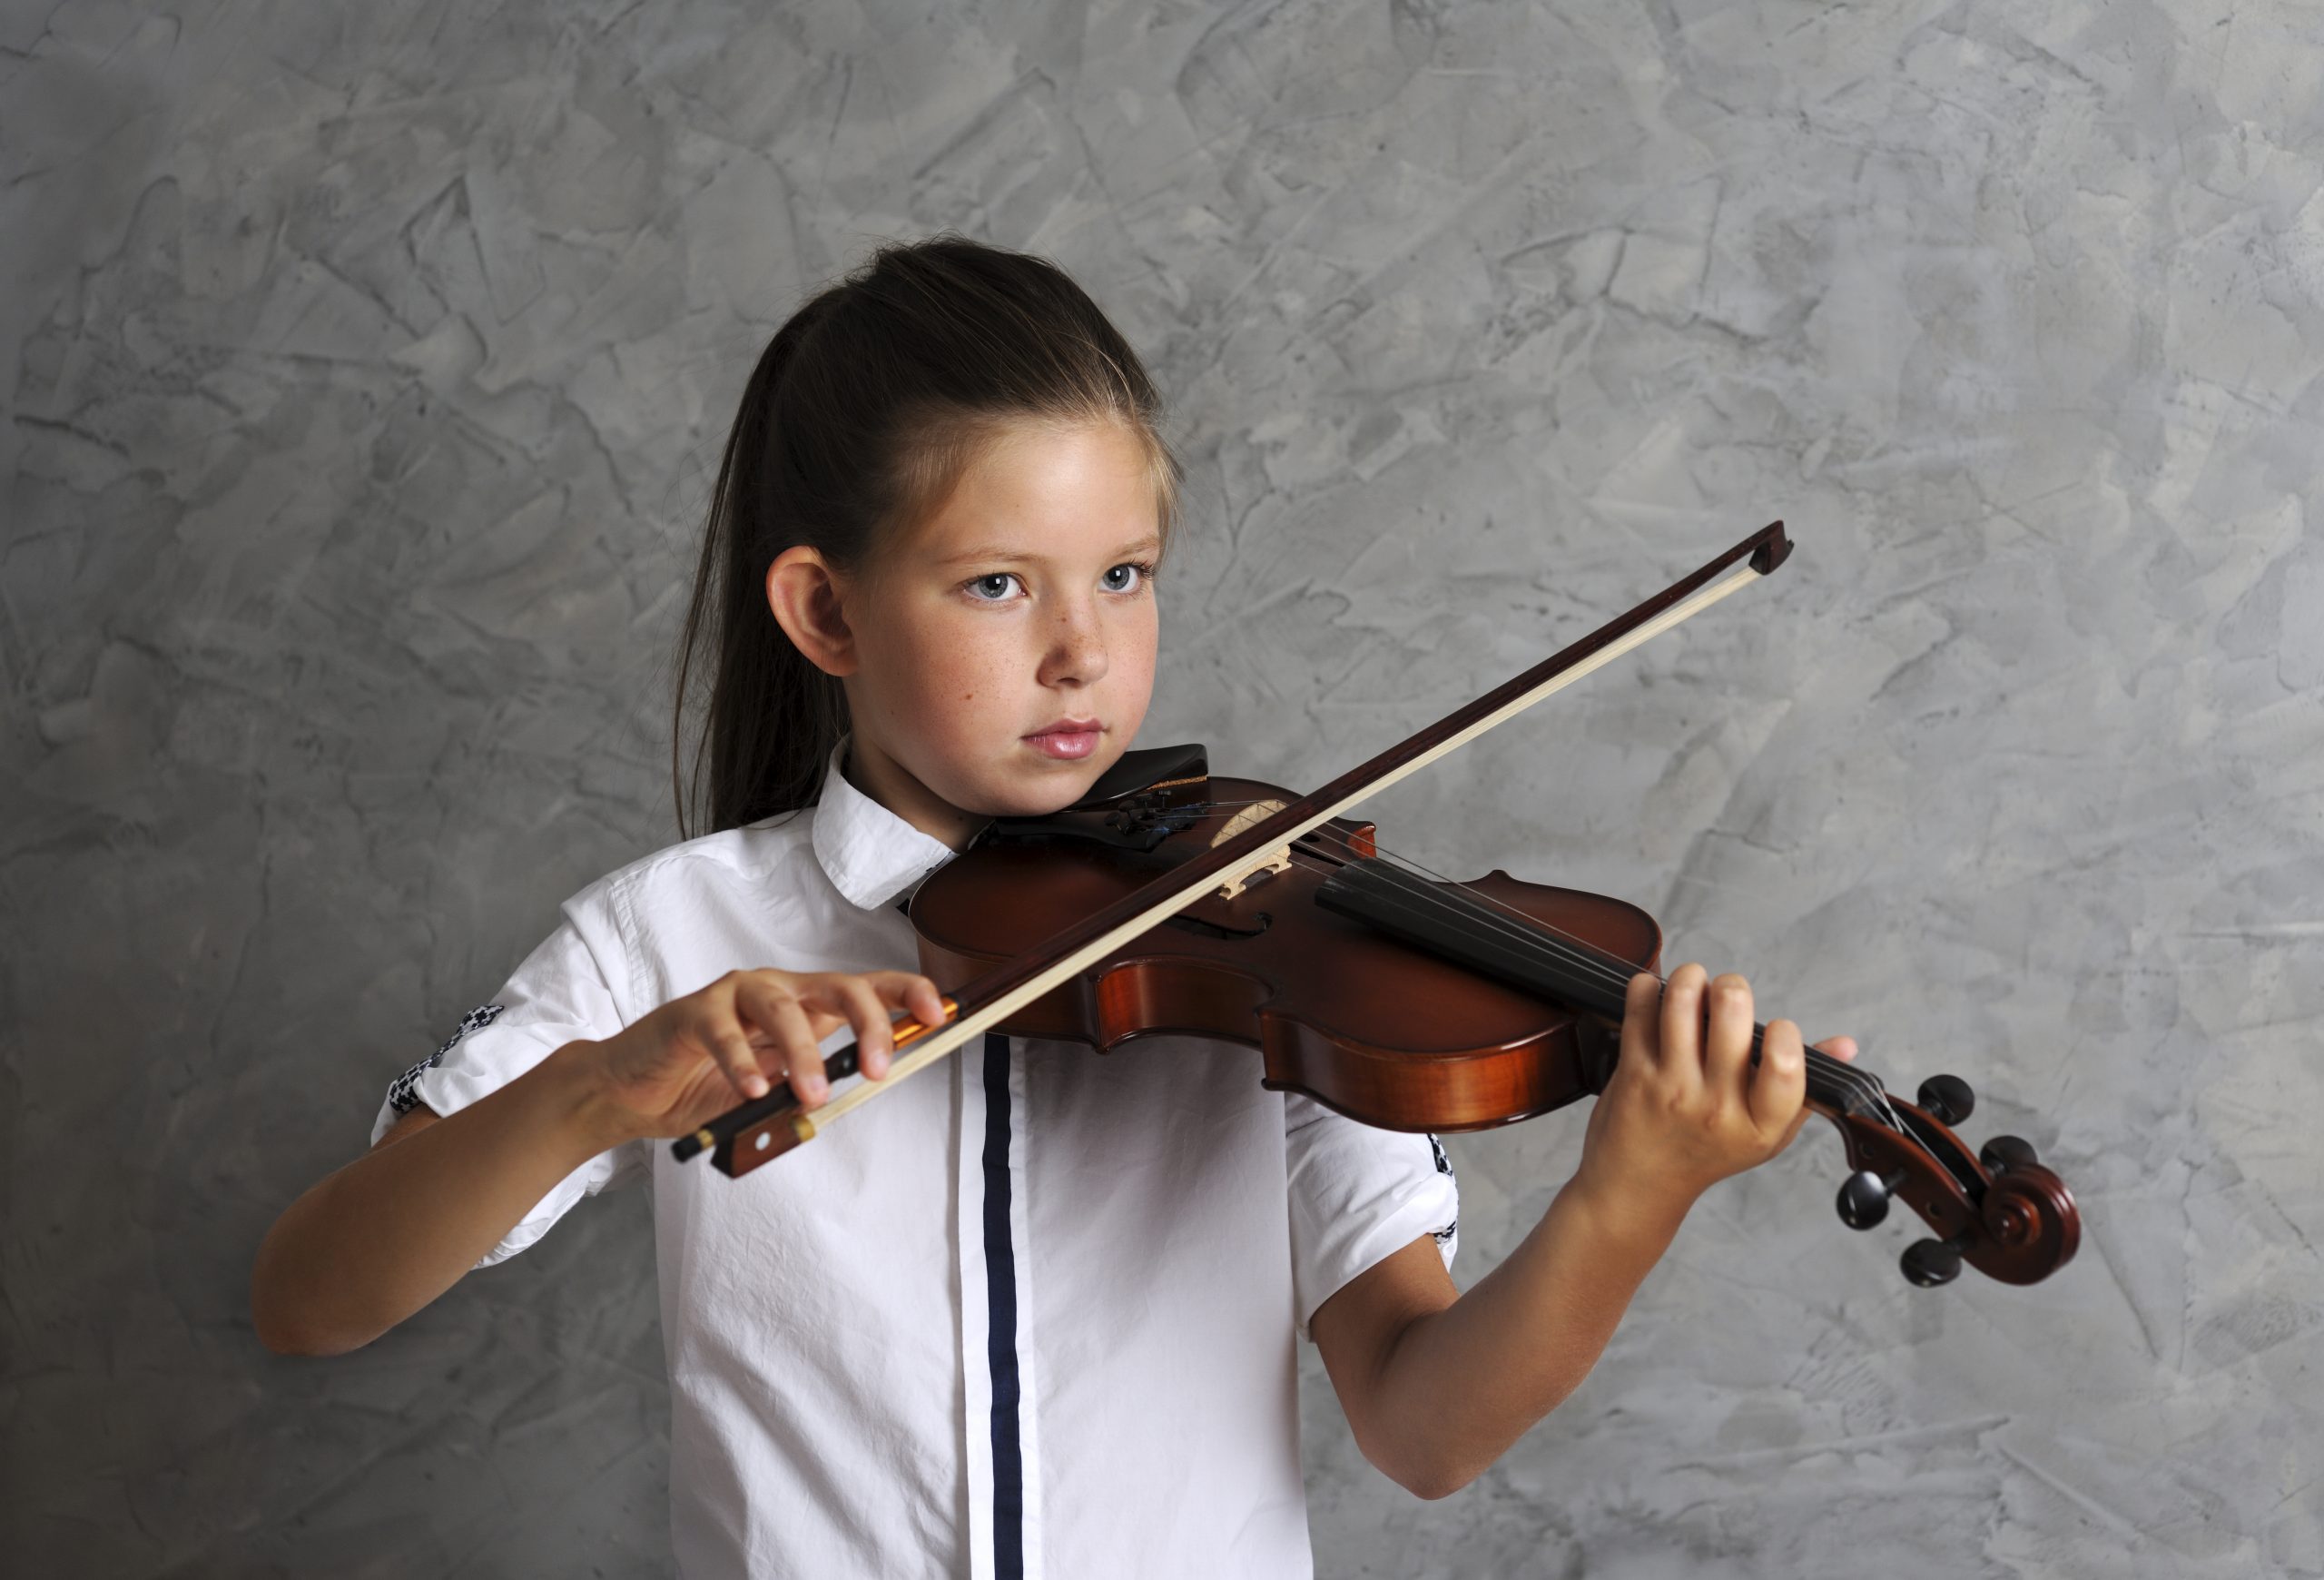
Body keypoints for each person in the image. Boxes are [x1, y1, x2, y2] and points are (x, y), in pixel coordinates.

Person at [250, 232, 1856, 1578]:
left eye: (1126, 574)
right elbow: (314, 1297)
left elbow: (1421, 1428)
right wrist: (595, 1091)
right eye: (998, 584)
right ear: (824, 611)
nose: (1082, 651)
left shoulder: (1283, 943)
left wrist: (1629, 1194)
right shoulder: (670, 939)